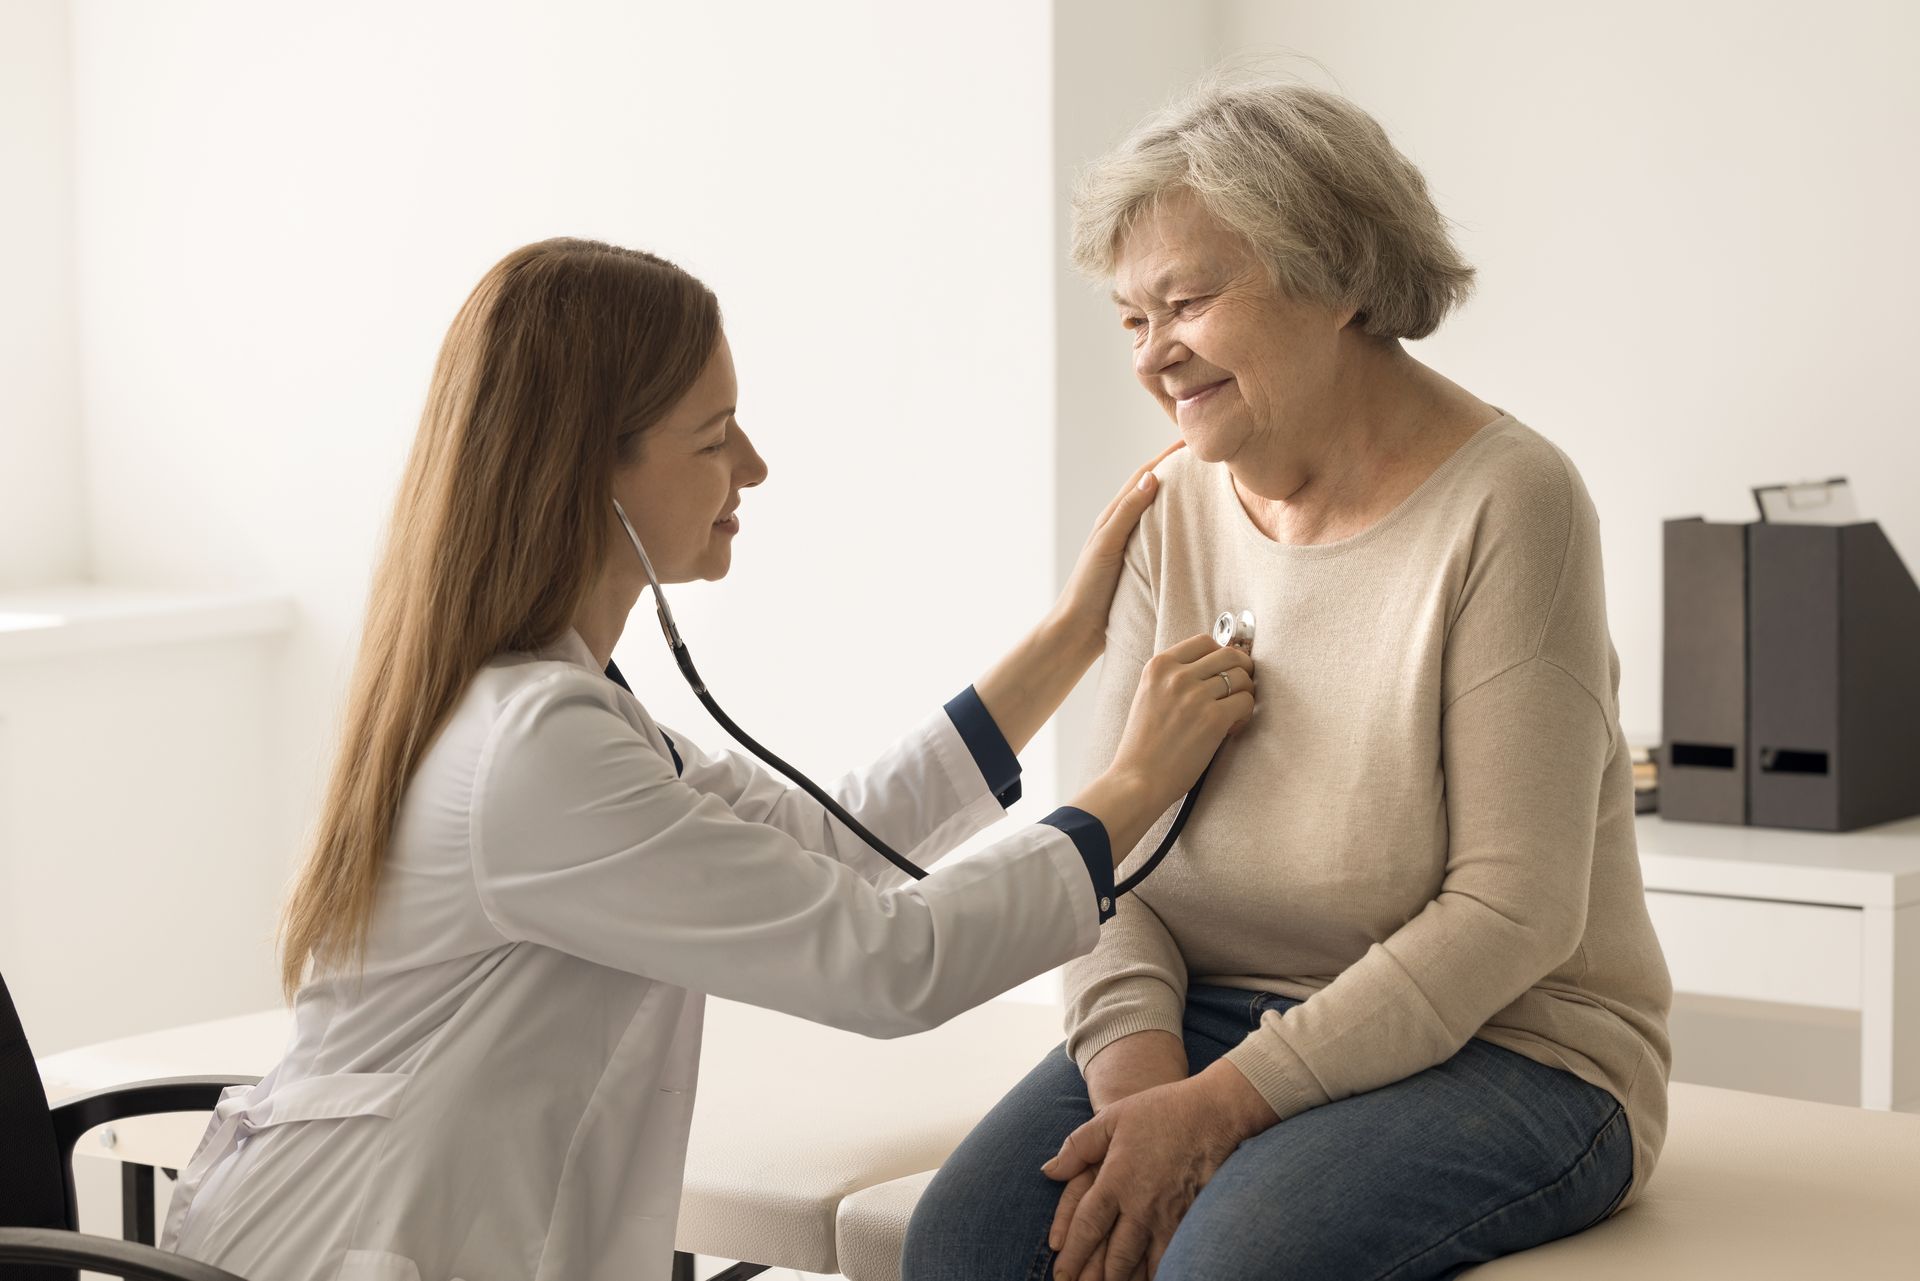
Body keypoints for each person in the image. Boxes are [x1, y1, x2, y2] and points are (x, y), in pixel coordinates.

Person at [158, 238, 1256, 1281]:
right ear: (594, 474)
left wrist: (1075, 635)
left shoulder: (555, 706)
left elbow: (828, 842)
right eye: (713, 434)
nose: (755, 468)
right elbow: (890, 963)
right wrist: (1132, 786)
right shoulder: (537, 748)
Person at [903, 78, 1673, 1281]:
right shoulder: (1174, 511)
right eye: (1130, 319)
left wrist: (1213, 1115)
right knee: (968, 1245)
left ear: (1338, 277)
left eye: (1187, 302)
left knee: (1229, 1264)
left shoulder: (1511, 500)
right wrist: (1145, 1097)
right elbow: (1113, 865)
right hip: (1208, 1018)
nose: (1155, 354)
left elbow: (1514, 914)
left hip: (1514, 1047)